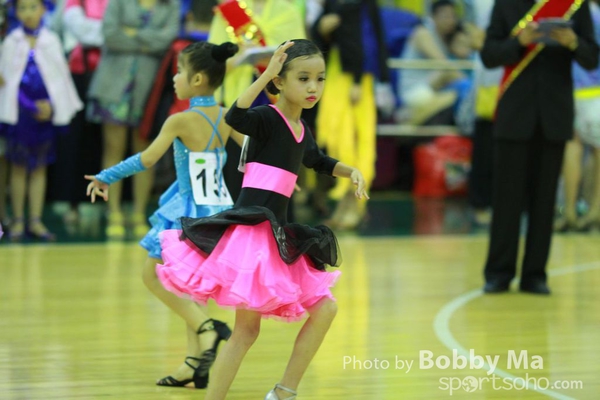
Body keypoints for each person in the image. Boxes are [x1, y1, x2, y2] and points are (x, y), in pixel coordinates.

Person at [155, 40, 369, 399]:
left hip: (278, 235)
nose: (313, 87)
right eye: (303, 78)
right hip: (252, 236)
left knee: (325, 309)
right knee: (245, 332)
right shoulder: (268, 118)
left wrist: (352, 171)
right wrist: (266, 73)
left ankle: (284, 391)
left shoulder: (301, 128)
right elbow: (235, 117)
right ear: (280, 82)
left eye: (319, 79)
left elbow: (317, 160)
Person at [85, 41, 246, 388]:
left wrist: (106, 176)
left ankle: (208, 329)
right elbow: (252, 153)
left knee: (152, 275)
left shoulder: (181, 120)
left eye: (179, 71)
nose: (174, 78)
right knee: (188, 287)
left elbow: (146, 159)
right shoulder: (225, 116)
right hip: (219, 212)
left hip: (187, 212)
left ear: (198, 79)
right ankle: (194, 363)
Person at [481, 0, 599, 295]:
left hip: (554, 114)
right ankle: (499, 273)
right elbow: (489, 55)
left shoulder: (575, 4)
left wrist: (573, 42)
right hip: (514, 113)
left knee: (544, 202)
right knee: (506, 201)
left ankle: (535, 274)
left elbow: (592, 58)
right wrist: (519, 42)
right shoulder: (506, 4)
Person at [86, 0, 179, 240]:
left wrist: (131, 33)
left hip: (150, 91)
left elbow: (166, 41)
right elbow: (111, 35)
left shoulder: (170, 5)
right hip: (113, 85)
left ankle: (138, 214)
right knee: (113, 149)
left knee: (145, 152)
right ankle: (114, 212)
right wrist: (148, 39)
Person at [0, 0, 83, 242]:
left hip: (45, 116)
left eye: (33, 7)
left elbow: (59, 80)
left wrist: (52, 106)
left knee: (39, 168)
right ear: (15, 11)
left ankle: (35, 220)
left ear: (44, 9)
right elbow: (8, 81)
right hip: (19, 117)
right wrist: (29, 105)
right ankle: (18, 219)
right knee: (18, 167)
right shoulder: (11, 41)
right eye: (22, 8)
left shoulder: (51, 40)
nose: (28, 13)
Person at [311, 0, 392, 230]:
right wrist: (321, 29)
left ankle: (356, 205)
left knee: (357, 142)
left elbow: (368, 39)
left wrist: (357, 79)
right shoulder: (333, 3)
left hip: (358, 78)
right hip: (335, 73)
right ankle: (343, 204)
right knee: (335, 139)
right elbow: (320, 37)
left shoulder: (364, 4)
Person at [555, 0, 600, 233]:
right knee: (597, 151)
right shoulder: (592, 14)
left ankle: (569, 211)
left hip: (570, 88)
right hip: (594, 91)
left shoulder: (567, 11)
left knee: (572, 147)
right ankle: (595, 210)